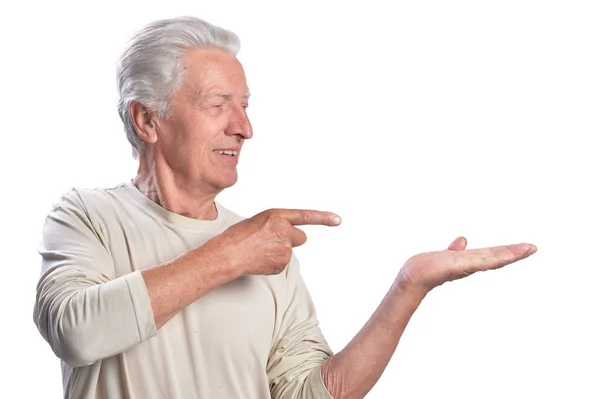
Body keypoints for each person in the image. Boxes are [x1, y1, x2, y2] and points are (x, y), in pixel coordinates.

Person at [33, 16, 537, 399]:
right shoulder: (86, 216)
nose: (244, 128)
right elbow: (76, 332)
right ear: (147, 120)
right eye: (218, 104)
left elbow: (312, 392)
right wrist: (229, 255)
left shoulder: (264, 248)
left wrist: (408, 287)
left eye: (245, 105)